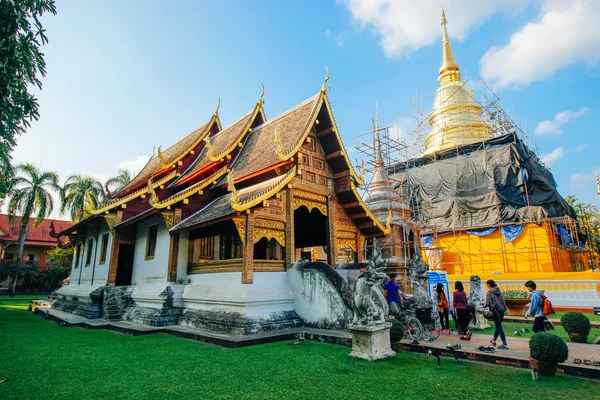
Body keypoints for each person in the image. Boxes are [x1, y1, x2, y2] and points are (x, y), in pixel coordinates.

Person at [486, 280, 508, 349]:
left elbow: (487, 303)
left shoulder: (490, 291)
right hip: (502, 310)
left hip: (495, 311)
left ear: (489, 285)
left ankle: (504, 344)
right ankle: (494, 339)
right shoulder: (499, 290)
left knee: (499, 326)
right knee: (498, 325)